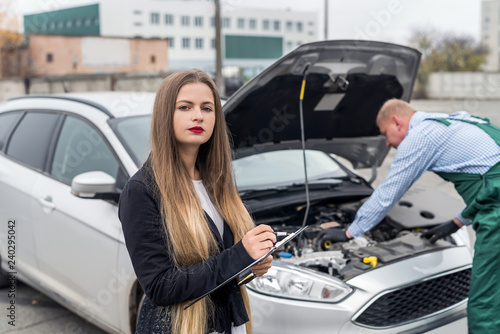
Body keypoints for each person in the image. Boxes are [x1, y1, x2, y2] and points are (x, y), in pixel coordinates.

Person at [321, 98, 500, 333]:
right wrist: (456, 222)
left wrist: (350, 232)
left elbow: (389, 192)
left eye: (385, 134)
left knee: (483, 302)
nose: (386, 142)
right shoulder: (458, 119)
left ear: (397, 122)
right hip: (493, 201)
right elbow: (488, 182)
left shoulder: (420, 136)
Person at [118, 69, 276, 334]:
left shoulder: (216, 182)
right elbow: (159, 286)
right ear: (165, 115)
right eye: (185, 107)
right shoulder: (141, 191)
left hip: (228, 323)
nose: (198, 116)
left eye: (207, 108)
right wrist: (237, 256)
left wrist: (248, 265)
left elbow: (218, 267)